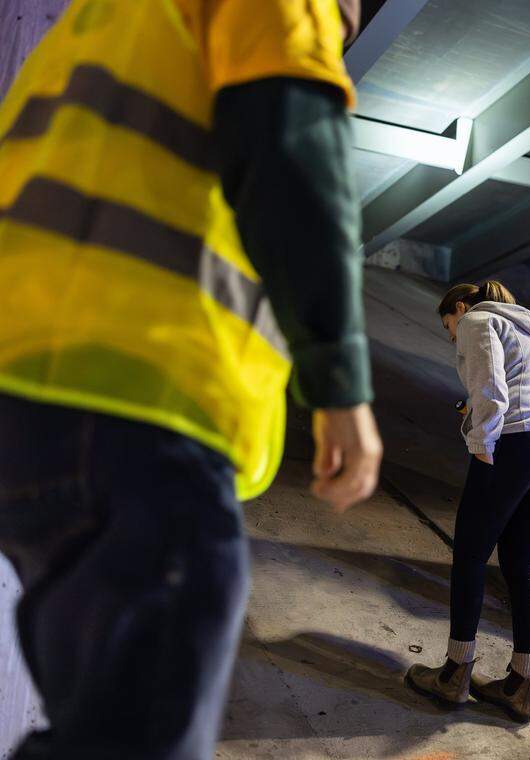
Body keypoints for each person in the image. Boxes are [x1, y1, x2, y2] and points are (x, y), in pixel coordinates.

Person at [0, 1, 382, 756]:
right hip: (136, 409)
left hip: (30, 413)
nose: (333, 39)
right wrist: (339, 384)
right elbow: (295, 153)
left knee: (99, 731)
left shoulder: (101, 28)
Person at [406, 281, 530, 724]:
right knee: (523, 568)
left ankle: (455, 674)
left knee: (470, 557)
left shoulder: (478, 319)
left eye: (448, 326)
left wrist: (482, 441)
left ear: (459, 307)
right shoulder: (529, 330)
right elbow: (515, 385)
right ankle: (520, 686)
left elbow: (492, 385)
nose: (452, 335)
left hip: (512, 443)